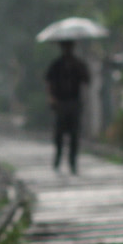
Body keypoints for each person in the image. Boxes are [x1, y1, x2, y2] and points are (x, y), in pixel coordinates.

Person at [45, 39, 90, 174]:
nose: (67, 49)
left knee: (74, 135)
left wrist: (80, 68)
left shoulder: (78, 64)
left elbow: (87, 79)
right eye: (65, 47)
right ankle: (57, 160)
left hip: (74, 102)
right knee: (59, 135)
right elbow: (49, 82)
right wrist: (52, 98)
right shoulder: (56, 65)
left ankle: (73, 162)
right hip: (61, 103)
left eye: (69, 47)